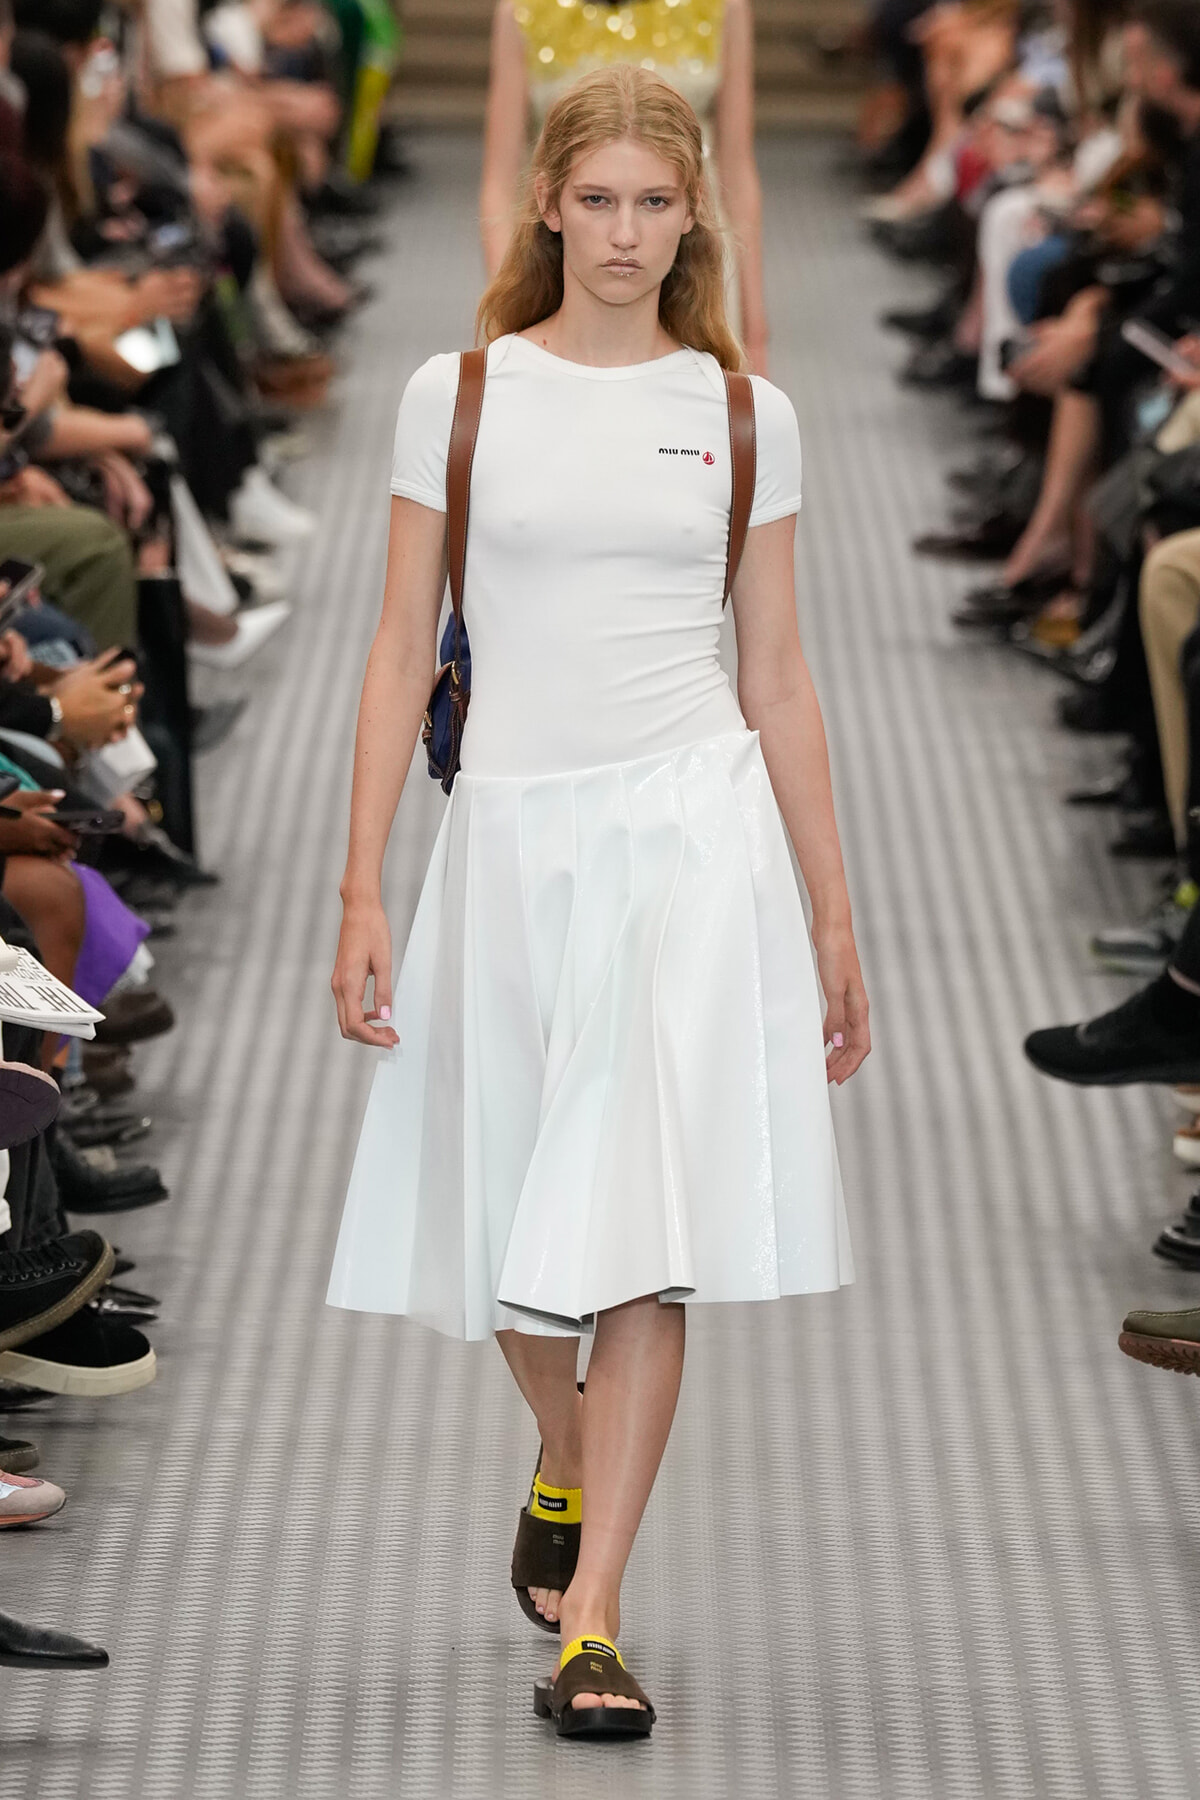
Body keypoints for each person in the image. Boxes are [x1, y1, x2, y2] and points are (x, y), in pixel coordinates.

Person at [329, 63, 867, 1738]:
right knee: (499, 1223)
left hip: (693, 836)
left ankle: (600, 1618)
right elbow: (401, 642)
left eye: (656, 201)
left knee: (641, 1247)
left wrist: (837, 921)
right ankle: (568, 1458)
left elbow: (778, 676)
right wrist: (361, 883)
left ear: (691, 211)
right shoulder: (463, 394)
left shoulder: (746, 412)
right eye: (600, 198)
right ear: (548, 204)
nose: (626, 232)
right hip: (507, 837)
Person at [480, 0, 770, 373]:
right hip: (569, 252)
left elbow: (738, 170)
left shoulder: (722, 7)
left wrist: (755, 330)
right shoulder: (523, 9)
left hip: (690, 250)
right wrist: (509, 305)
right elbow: (499, 181)